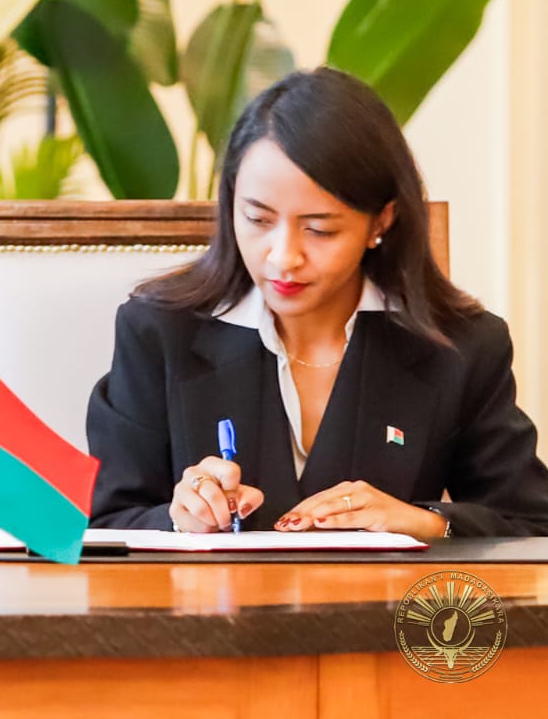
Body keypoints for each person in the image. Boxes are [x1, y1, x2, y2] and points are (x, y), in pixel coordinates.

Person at [87, 66, 548, 537]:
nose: (284, 258)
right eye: (258, 219)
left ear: (380, 222)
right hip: (206, 610)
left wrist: (425, 523)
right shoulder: (160, 330)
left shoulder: (462, 347)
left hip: (382, 612)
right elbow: (104, 524)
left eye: (320, 229)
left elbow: (533, 525)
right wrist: (178, 519)